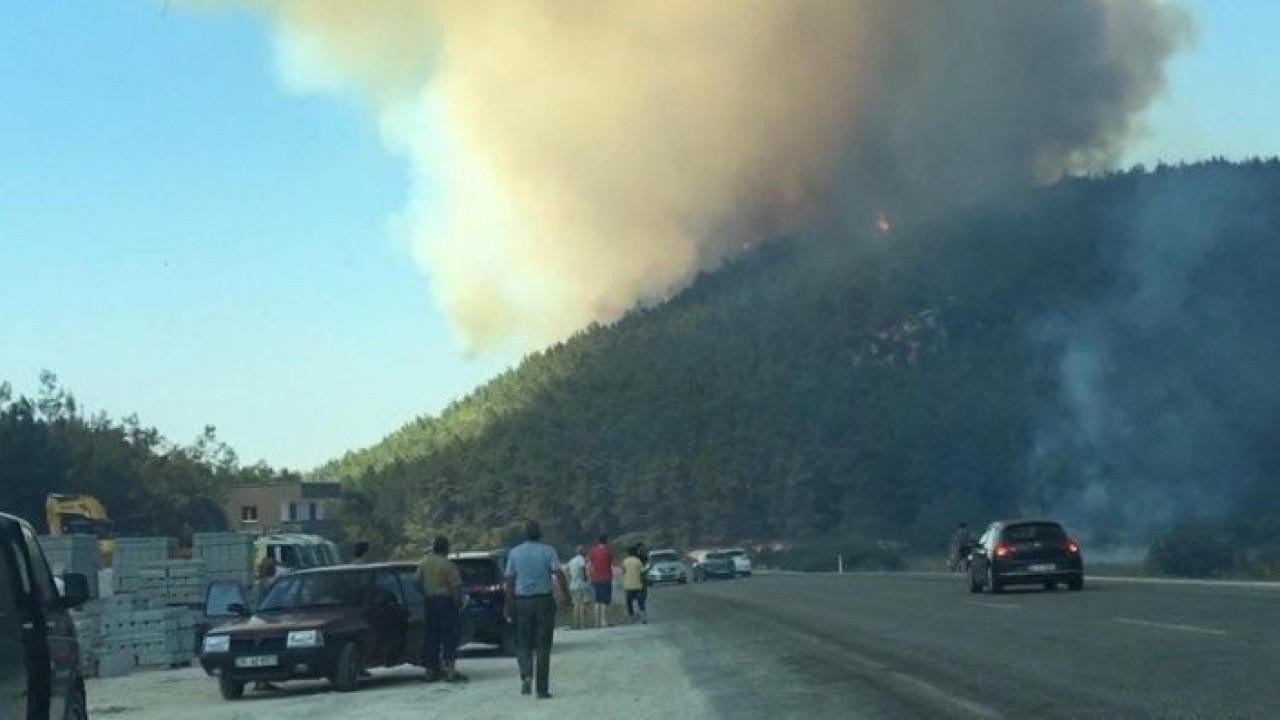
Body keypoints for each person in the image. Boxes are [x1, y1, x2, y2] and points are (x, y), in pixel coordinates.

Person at [504, 520, 570, 700]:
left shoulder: (514, 553)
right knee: (543, 645)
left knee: (523, 642)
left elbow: (509, 581)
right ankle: (542, 689)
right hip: (544, 602)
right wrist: (566, 596)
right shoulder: (548, 550)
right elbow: (559, 574)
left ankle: (526, 675)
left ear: (524, 534)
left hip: (522, 603)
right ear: (539, 533)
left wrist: (508, 605)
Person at [413, 535, 466, 683]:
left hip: (429, 602)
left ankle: (430, 672)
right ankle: (450, 672)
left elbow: (415, 582)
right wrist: (458, 602)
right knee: (449, 637)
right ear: (446, 548)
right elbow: (456, 587)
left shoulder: (423, 564)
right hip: (446, 602)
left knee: (431, 637)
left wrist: (424, 592)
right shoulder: (448, 565)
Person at [586, 534, 614, 628]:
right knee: (605, 601)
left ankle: (596, 622)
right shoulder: (608, 551)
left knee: (597, 600)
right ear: (606, 541)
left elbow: (589, 564)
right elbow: (610, 563)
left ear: (598, 541)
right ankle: (604, 621)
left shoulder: (592, 551)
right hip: (606, 578)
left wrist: (590, 575)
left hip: (595, 578)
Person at [565, 546, 592, 629]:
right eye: (584, 551)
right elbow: (583, 568)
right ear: (581, 552)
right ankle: (583, 623)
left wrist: (570, 580)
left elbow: (566, 571)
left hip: (573, 585)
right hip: (581, 584)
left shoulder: (571, 560)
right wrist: (585, 578)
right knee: (583, 603)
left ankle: (576, 623)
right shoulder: (581, 559)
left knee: (576, 605)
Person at [621, 545, 648, 624]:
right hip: (638, 585)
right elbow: (643, 572)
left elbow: (623, 571)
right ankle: (643, 617)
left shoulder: (625, 561)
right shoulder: (638, 561)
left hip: (628, 585)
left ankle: (631, 617)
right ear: (635, 552)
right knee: (641, 602)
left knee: (629, 602)